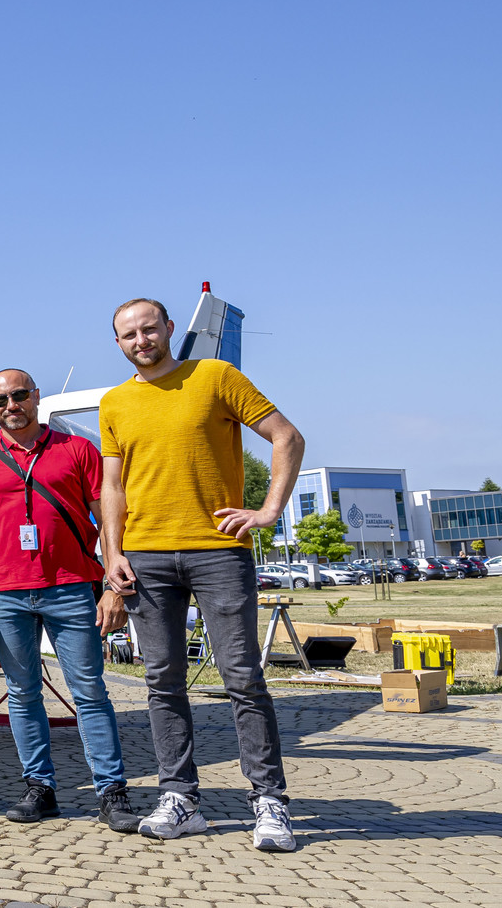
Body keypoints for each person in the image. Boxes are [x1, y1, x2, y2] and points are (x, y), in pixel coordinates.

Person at [99, 298, 305, 852]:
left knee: (242, 677)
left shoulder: (215, 377)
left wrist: (268, 511)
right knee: (161, 683)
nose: (141, 340)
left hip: (218, 551)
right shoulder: (115, 402)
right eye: (129, 335)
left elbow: (287, 436)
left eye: (149, 329)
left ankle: (269, 801)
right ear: (118, 343)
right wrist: (112, 553)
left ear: (169, 328)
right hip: (145, 557)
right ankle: (180, 798)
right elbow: (112, 485)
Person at [0, 368, 140, 833]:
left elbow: (110, 519)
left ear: (36, 397)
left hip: (71, 587)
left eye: (19, 395)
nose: (11, 406)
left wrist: (113, 586)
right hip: (5, 593)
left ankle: (111, 790)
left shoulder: (77, 450)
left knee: (89, 691)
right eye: (0, 401)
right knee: (22, 693)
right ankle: (39, 786)